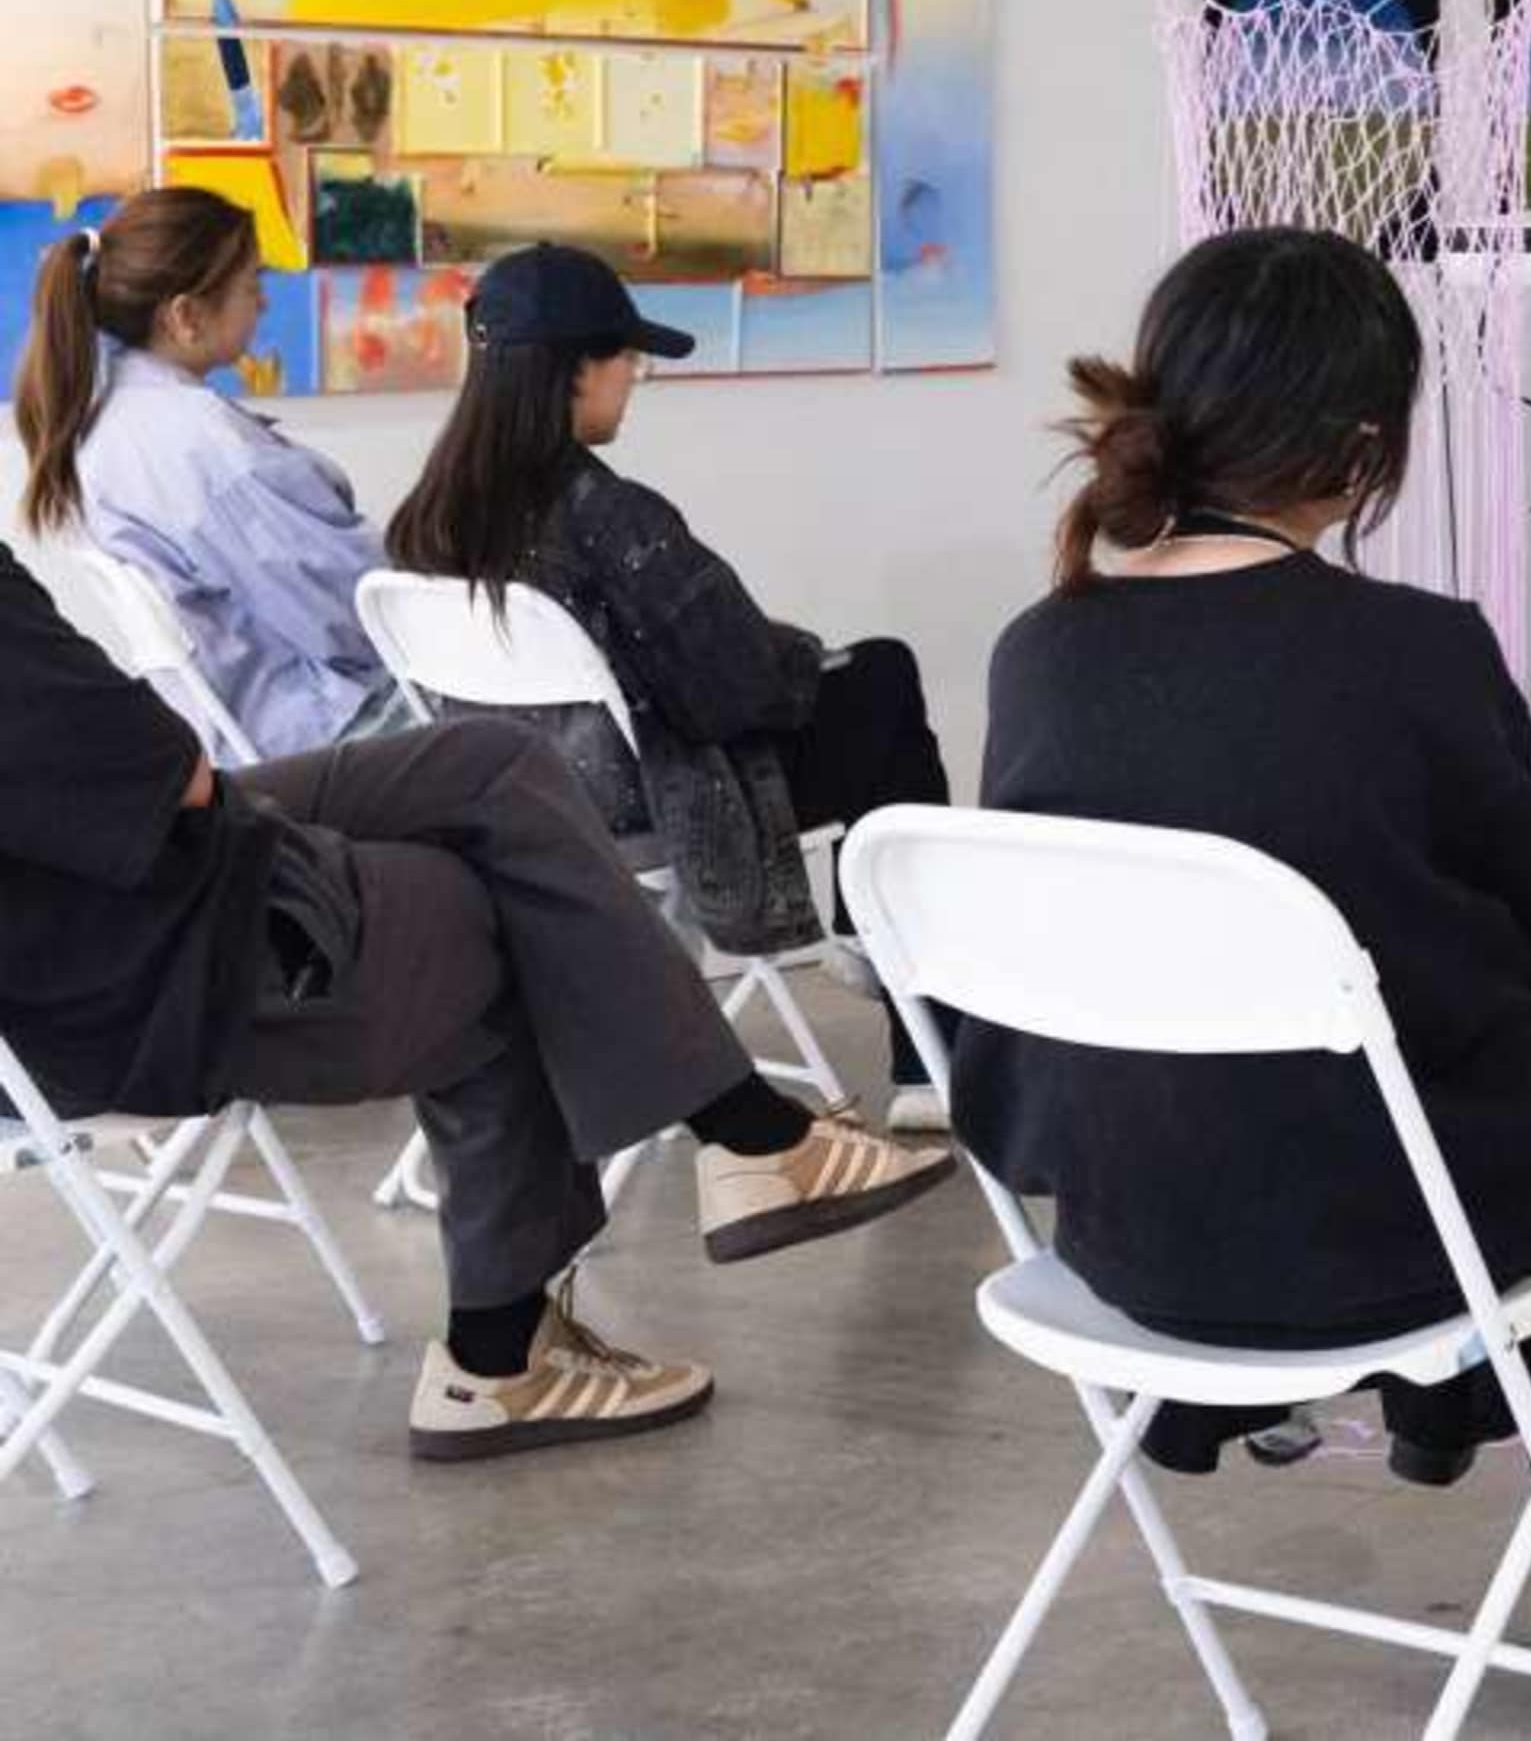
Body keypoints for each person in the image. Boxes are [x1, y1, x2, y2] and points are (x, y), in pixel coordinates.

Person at [953, 228, 1531, 1712]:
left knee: (1503, 1092)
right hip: (1377, 1244)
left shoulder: (1041, 648)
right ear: (1364, 447)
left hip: (1126, 1236)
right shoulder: (1413, 651)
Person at [0, 539, 952, 1457]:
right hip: (131, 978)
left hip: (91, 935)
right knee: (490, 909)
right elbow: (173, 782)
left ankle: (750, 1141)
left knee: (493, 765)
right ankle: (505, 1350)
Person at [384, 244, 955, 1132]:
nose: (637, 376)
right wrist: (799, 653)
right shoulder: (608, 513)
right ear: (576, 371)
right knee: (883, 678)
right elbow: (737, 691)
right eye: (627, 357)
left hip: (521, 809)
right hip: (654, 806)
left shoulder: (429, 521)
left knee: (868, 683)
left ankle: (876, 953)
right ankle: (912, 1027)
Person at [13, 186, 395, 756]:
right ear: (186, 316)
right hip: (321, 728)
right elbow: (355, 617)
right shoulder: (203, 447)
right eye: (252, 284)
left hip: (231, 731)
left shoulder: (109, 418)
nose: (264, 303)